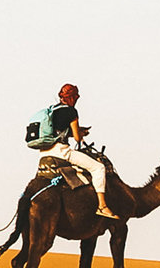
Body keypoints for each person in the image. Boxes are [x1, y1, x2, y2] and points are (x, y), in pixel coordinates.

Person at [30, 83, 115, 218]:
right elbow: (76, 138)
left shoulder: (53, 110)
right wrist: (81, 134)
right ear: (72, 97)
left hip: (44, 153)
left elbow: (60, 131)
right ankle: (102, 206)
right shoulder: (71, 112)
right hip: (61, 152)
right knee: (98, 168)